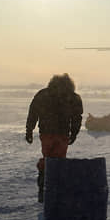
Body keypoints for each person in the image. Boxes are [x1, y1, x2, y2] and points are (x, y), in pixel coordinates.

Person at [25, 73, 83, 202]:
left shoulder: (43, 95)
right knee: (58, 162)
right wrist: (74, 133)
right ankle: (55, 189)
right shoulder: (73, 97)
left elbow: (33, 112)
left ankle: (43, 188)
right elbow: (77, 118)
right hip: (62, 134)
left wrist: (29, 130)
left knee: (48, 160)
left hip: (46, 133)